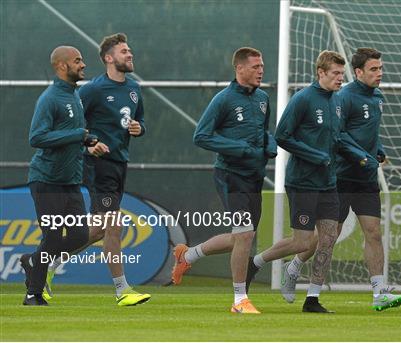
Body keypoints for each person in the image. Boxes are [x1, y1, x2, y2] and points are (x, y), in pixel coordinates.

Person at [278, 48, 401, 311]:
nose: (379, 73)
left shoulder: (378, 97)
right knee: (327, 236)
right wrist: (360, 155)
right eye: (374, 69)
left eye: (381, 68)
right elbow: (340, 135)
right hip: (341, 176)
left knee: (373, 232)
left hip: (366, 178)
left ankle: (379, 292)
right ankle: (294, 265)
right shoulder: (343, 97)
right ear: (358, 72)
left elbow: (369, 132)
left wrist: (377, 150)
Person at [246, 50, 370, 313]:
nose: (340, 79)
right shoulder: (303, 99)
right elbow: (282, 135)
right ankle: (256, 262)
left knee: (327, 239)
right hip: (302, 181)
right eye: (335, 74)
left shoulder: (337, 102)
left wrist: (362, 155)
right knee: (302, 242)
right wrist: (315, 156)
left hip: (328, 182)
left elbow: (339, 138)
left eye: (342, 74)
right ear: (321, 73)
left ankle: (312, 298)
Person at [45, 33, 149, 306]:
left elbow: (139, 120)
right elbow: (68, 127)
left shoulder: (134, 89)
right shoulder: (92, 90)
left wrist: (139, 129)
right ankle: (122, 289)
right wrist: (87, 146)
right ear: (108, 58)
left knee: (99, 230)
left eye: (130, 50)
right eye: (124, 51)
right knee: (114, 227)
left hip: (119, 165)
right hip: (98, 166)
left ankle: (44, 263)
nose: (130, 54)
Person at [172, 47, 277, 314]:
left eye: (262, 66)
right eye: (255, 66)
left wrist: (270, 143)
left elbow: (264, 131)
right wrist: (238, 148)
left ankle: (189, 255)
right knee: (244, 235)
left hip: (254, 177)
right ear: (239, 69)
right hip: (231, 177)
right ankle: (239, 300)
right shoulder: (224, 99)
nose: (261, 70)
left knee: (243, 237)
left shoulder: (263, 98)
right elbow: (201, 136)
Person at [21, 46, 100, 306]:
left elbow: (70, 136)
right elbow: (37, 137)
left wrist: (87, 142)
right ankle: (33, 294)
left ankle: (33, 260)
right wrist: (79, 135)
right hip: (47, 179)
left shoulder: (74, 95)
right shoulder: (50, 98)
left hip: (70, 181)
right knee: (53, 238)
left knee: (79, 236)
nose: (83, 64)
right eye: (78, 61)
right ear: (62, 66)